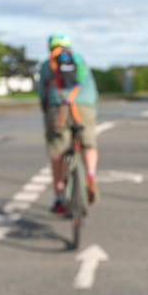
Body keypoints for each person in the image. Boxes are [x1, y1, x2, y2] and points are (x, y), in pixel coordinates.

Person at [37, 32, 100, 214]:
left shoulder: (48, 64)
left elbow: (42, 92)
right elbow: (92, 89)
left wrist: (46, 109)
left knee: (57, 149)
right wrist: (90, 108)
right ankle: (90, 174)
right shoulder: (80, 60)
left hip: (59, 107)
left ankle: (58, 197)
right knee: (88, 143)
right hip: (85, 107)